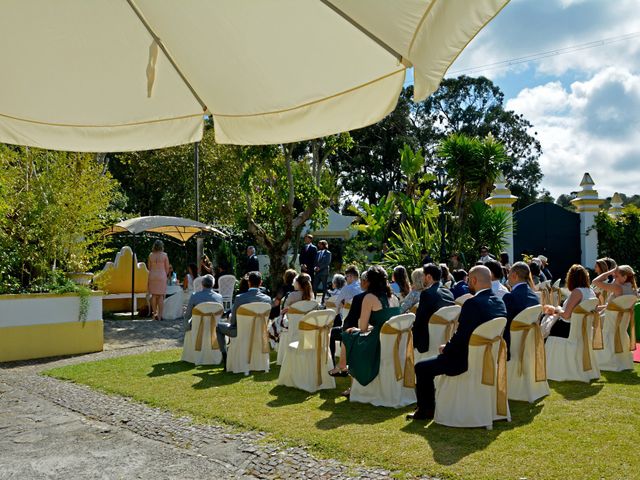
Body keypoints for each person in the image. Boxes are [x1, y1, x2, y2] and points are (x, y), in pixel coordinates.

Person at [408, 266, 507, 421]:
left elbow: (462, 337)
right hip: (487, 359)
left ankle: (426, 411)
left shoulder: (472, 304)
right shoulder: (499, 302)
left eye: (469, 280)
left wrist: (446, 348)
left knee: (421, 368)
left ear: (473, 280)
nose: (468, 283)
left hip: (464, 361)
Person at [341, 266, 400, 397]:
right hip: (394, 342)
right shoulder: (394, 298)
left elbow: (362, 328)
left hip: (377, 342)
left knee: (349, 335)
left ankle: (352, 385)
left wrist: (354, 329)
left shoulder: (369, 298)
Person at [216, 271, 271, 362]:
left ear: (248, 282)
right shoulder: (267, 299)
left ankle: (224, 354)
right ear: (261, 283)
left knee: (218, 327)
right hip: (259, 331)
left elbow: (233, 321)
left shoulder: (239, 298)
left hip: (240, 331)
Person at [542, 264, 596, 339]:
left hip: (569, 329)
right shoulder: (591, 291)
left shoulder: (577, 292)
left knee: (544, 320)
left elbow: (566, 315)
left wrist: (557, 309)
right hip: (583, 328)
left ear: (571, 278)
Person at [412, 263, 455, 354]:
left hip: (428, 342)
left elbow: (420, 320)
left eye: (423, 276)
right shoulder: (448, 293)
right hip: (447, 338)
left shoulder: (427, 294)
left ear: (428, 277)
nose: (422, 278)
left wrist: (411, 342)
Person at [329, 270, 366, 370]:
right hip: (363, 321)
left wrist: (335, 315)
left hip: (349, 320)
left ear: (351, 276)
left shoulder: (347, 288)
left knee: (333, 334)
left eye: (347, 277)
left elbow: (337, 303)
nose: (346, 279)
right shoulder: (363, 289)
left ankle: (334, 361)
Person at [502, 262, 540, 359]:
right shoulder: (535, 297)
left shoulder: (510, 297)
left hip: (511, 347)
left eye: (509, 273)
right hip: (530, 343)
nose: (507, 276)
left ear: (514, 275)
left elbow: (504, 323)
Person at [147, 239, 170, 321]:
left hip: (152, 275)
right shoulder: (165, 255)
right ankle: (160, 316)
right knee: (160, 296)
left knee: (153, 295)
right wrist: (164, 275)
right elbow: (167, 268)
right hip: (162, 276)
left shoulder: (150, 255)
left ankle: (154, 314)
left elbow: (149, 267)